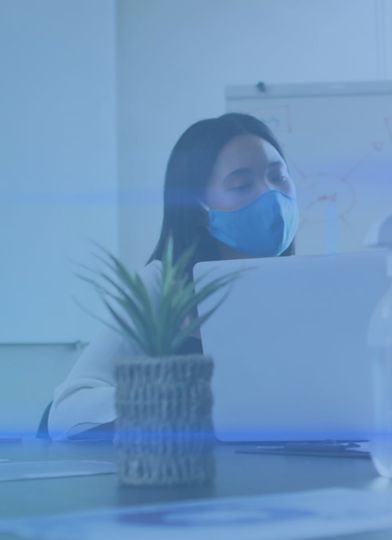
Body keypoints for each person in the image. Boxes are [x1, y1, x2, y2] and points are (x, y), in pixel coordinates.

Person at [48, 113, 299, 438]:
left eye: (278, 177)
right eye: (241, 184)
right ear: (199, 208)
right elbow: (66, 412)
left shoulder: (308, 286)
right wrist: (171, 399)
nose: (271, 196)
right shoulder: (163, 286)